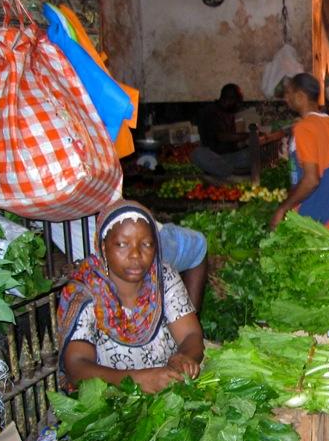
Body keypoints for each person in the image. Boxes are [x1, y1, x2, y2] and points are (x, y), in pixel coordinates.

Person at [57, 200, 204, 393]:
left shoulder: (163, 277)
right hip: (109, 399)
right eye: (122, 244)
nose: (135, 255)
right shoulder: (85, 292)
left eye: (146, 244)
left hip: (167, 391)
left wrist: (185, 358)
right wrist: (137, 381)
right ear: (103, 247)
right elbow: (76, 366)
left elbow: (190, 335)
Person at [271, 73, 329, 236]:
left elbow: (311, 180)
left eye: (289, 94)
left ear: (300, 96)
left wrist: (282, 209)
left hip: (316, 224)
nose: (286, 99)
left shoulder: (303, 128)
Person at [191, 83, 251, 178]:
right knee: (198, 154)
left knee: (254, 153)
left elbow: (233, 142)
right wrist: (249, 135)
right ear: (229, 99)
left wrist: (250, 143)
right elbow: (222, 137)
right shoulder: (209, 112)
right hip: (215, 157)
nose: (238, 105)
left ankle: (230, 172)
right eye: (237, 102)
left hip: (231, 157)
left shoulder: (228, 112)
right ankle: (233, 174)